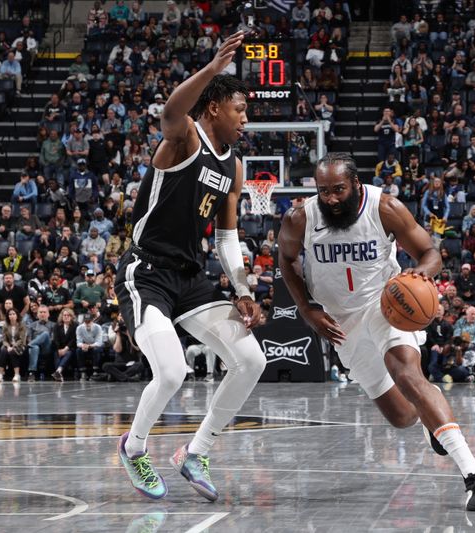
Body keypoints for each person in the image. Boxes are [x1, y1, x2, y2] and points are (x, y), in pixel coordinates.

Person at [278, 152, 475, 511]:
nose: (331, 199)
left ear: (354, 183)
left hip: (386, 305)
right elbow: (286, 260)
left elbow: (429, 252)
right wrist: (306, 308)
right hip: (340, 321)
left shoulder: (384, 208)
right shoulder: (299, 218)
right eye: (324, 191)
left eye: (338, 189)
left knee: (407, 373)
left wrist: (419, 276)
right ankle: (432, 420)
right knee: (402, 416)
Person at [114, 33, 267, 503]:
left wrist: (241, 288)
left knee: (252, 359)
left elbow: (225, 236)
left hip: (189, 276)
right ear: (215, 106)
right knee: (173, 372)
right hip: (145, 272)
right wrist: (212, 68)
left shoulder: (235, 167)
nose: (245, 118)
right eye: (239, 108)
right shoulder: (184, 139)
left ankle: (195, 453)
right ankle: (133, 446)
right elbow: (170, 113)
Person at [0, 308, 27, 383]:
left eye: (13, 314)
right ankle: (0, 374)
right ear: (8, 316)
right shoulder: (5, 325)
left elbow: (22, 339)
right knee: (3, 350)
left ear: (17, 316)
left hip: (20, 345)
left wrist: (13, 346)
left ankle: (17, 374)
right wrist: (8, 346)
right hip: (8, 345)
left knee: (13, 352)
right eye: (10, 314)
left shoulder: (21, 325)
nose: (12, 316)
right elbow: (4, 339)